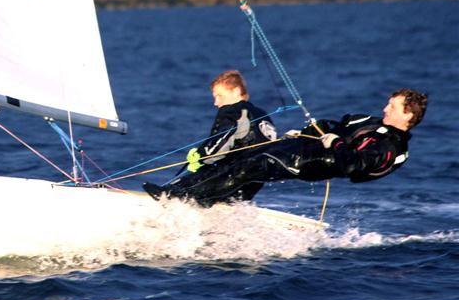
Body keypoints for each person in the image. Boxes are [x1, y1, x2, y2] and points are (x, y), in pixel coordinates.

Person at [144, 88, 428, 207]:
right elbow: (332, 124)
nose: (384, 108)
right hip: (305, 149)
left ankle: (181, 198)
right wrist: (306, 133)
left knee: (255, 165)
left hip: (317, 164)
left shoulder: (391, 145)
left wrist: (336, 143)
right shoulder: (369, 120)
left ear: (407, 115)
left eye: (391, 106)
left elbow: (353, 165)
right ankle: (207, 197)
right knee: (242, 156)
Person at [175, 70, 277, 201]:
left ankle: (170, 196)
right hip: (256, 180)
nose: (216, 103)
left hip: (232, 176)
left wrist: (200, 156)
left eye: (219, 96)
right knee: (233, 200)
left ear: (235, 91)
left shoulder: (232, 111)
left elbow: (220, 143)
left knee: (180, 191)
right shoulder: (262, 114)